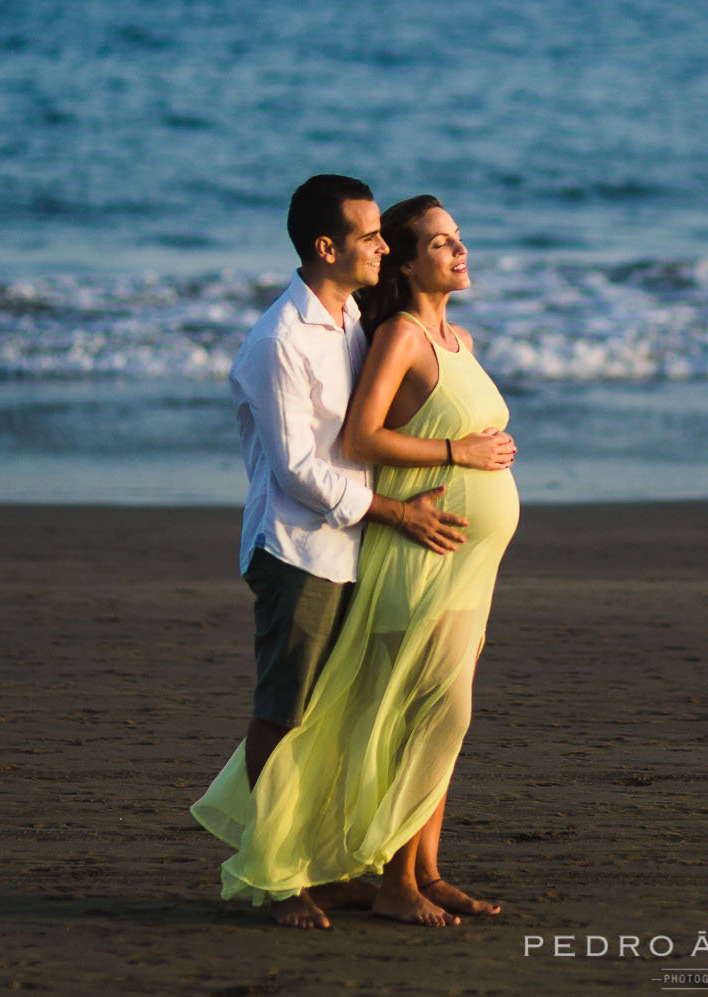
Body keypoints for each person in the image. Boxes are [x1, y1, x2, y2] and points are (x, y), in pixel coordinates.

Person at [193, 193, 520, 928]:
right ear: (325, 245)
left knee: (358, 712)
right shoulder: (281, 338)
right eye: (369, 236)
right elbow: (302, 468)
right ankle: (275, 877)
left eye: (382, 234)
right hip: (300, 549)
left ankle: (360, 869)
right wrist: (407, 504)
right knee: (287, 711)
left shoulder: (349, 321)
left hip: (363, 548)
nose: (377, 245)